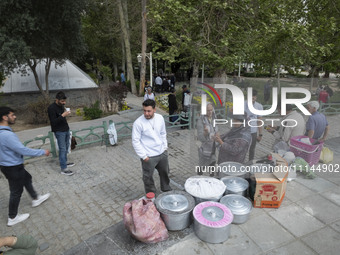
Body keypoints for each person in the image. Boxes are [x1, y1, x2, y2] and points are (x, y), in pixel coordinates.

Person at [0, 107, 50, 226]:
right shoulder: (7, 135)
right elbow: (22, 150)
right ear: (4, 117)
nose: (15, 117)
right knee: (16, 192)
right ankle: (12, 217)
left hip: (8, 166)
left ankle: (35, 198)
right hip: (13, 167)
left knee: (27, 178)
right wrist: (42, 152)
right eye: (12, 115)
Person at [132, 99, 172, 194]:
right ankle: (151, 195)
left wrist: (165, 147)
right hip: (148, 156)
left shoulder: (160, 118)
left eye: (149, 111)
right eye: (144, 110)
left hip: (162, 153)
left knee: (165, 173)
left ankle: (166, 189)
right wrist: (144, 156)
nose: (146, 113)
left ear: (154, 109)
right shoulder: (138, 123)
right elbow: (135, 141)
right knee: (148, 177)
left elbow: (163, 133)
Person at [47, 91, 75, 176]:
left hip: (65, 129)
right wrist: (63, 115)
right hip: (59, 131)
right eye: (62, 101)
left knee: (66, 147)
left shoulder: (61, 106)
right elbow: (53, 122)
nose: (64, 103)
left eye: (64, 101)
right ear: (57, 100)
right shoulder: (51, 108)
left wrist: (65, 114)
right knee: (62, 149)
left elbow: (62, 118)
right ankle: (63, 169)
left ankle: (64, 162)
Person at [196, 103, 218, 176]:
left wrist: (217, 134)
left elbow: (216, 129)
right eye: (208, 110)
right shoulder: (201, 121)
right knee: (202, 166)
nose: (210, 112)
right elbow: (200, 137)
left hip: (213, 146)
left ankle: (211, 179)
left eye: (211, 110)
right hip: (204, 148)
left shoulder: (214, 118)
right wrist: (205, 133)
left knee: (212, 163)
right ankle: (199, 179)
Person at [244, 89, 263, 160]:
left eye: (254, 96)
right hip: (243, 130)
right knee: (242, 148)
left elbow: (259, 121)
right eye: (250, 96)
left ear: (256, 97)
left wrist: (260, 134)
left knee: (252, 149)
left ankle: (250, 164)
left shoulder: (259, 106)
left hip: (253, 131)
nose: (252, 98)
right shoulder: (242, 104)